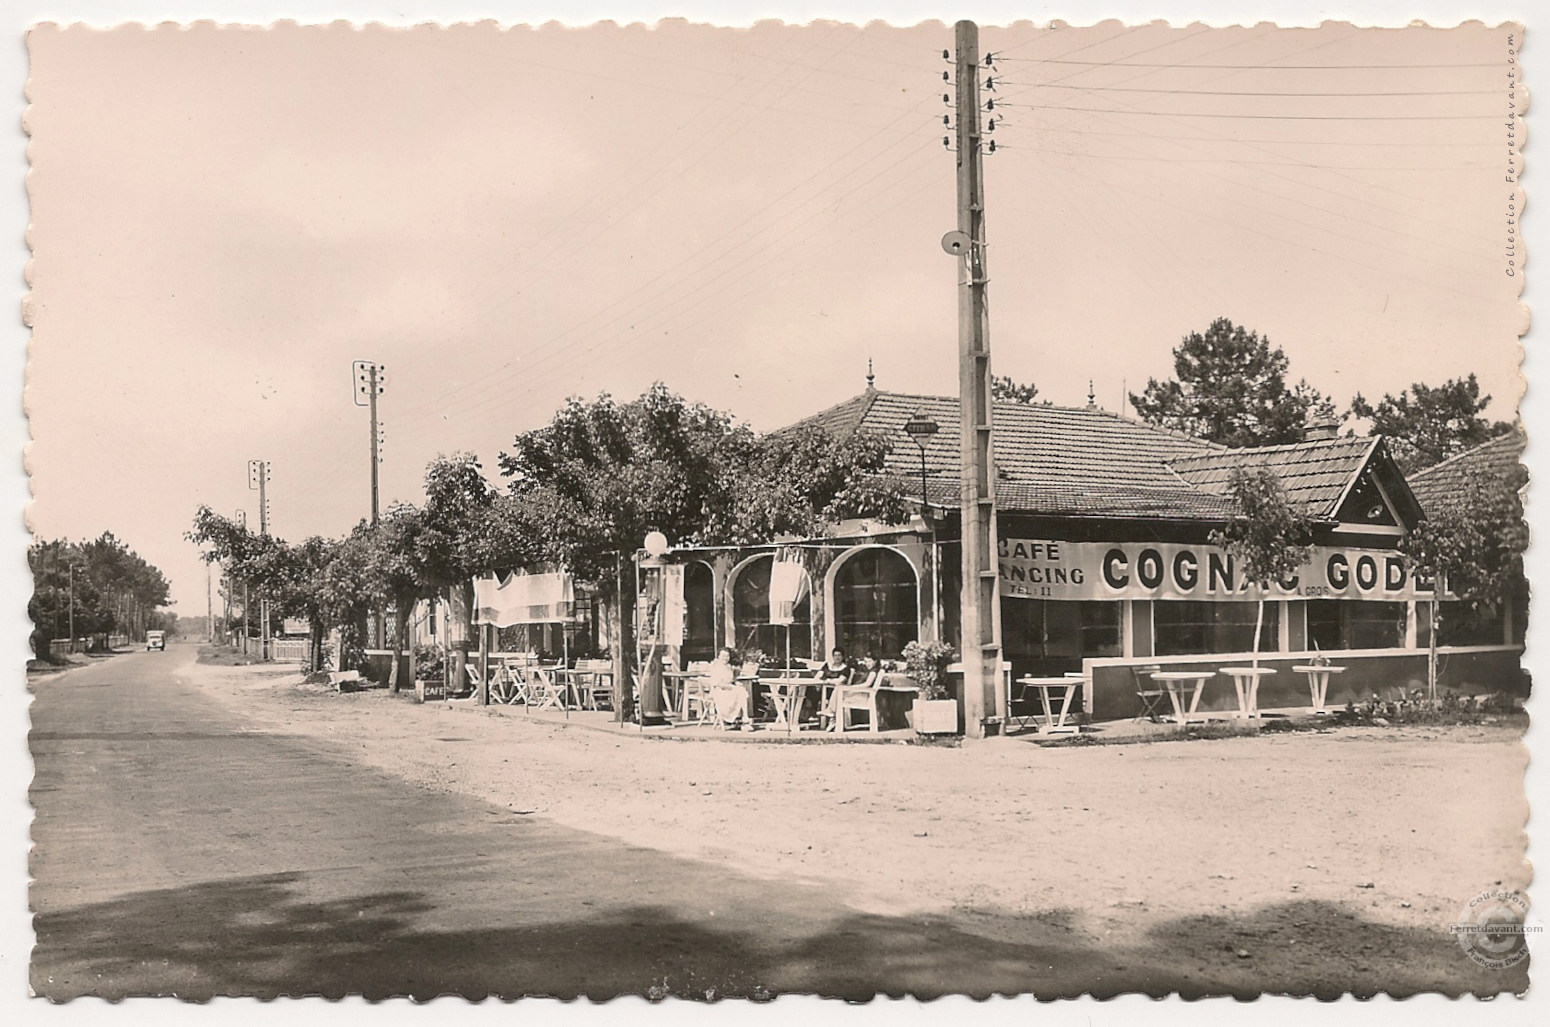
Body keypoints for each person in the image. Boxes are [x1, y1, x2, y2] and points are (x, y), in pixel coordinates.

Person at [707, 647, 751, 730]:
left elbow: (731, 680)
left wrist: (736, 683)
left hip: (729, 690)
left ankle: (744, 718)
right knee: (741, 692)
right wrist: (731, 687)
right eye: (723, 656)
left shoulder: (728, 666)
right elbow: (718, 684)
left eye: (727, 656)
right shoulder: (716, 667)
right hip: (720, 692)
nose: (725, 658)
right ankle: (744, 719)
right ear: (718, 656)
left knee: (741, 690)